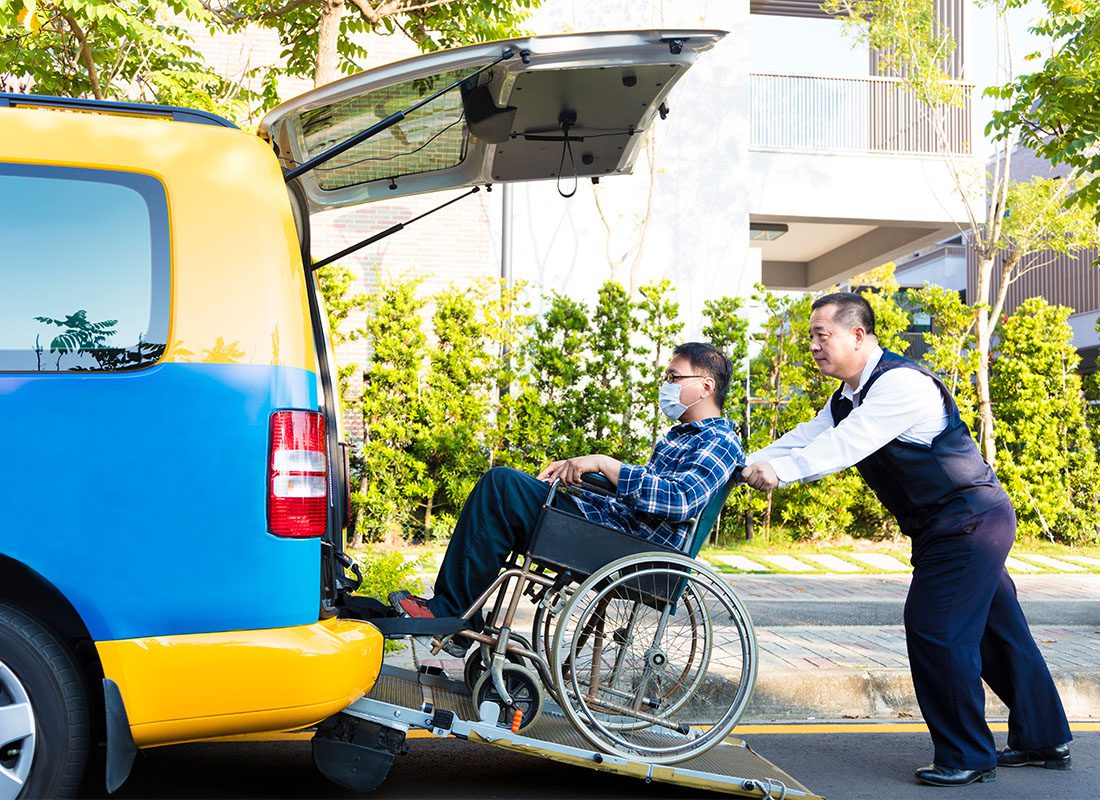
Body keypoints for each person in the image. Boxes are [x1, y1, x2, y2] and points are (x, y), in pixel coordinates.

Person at [741, 292, 1071, 787]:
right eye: (810, 335)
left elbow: (844, 445)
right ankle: (1044, 739)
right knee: (999, 632)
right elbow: (806, 436)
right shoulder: (849, 396)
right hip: (953, 524)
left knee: (936, 629)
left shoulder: (900, 385)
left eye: (820, 334)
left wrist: (779, 473)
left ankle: (967, 754)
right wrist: (741, 463)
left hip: (967, 522)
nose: (812, 345)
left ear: (858, 334)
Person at [390, 341, 744, 655]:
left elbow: (679, 500)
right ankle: (458, 616)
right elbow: (648, 489)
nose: (666, 386)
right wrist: (583, 468)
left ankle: (451, 614)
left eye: (674, 377)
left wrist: (605, 464)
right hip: (614, 529)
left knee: (502, 487)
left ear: (705, 386)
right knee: (506, 495)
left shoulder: (720, 442)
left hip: (630, 548)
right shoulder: (682, 436)